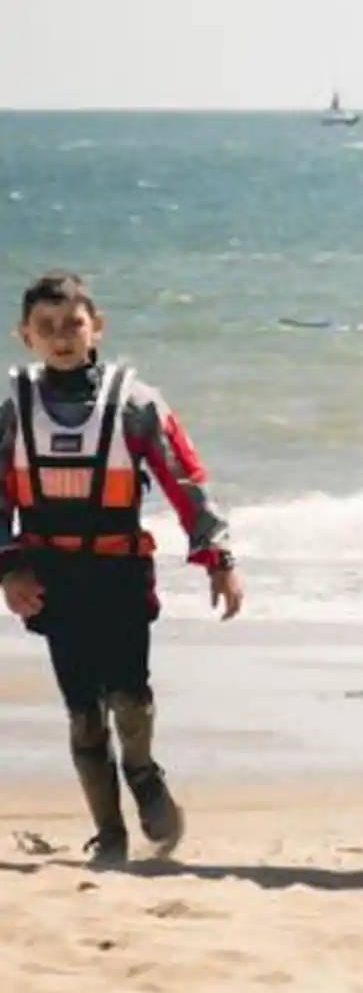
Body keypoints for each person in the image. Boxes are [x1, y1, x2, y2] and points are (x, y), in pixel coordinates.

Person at [0, 272, 243, 864]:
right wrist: (8, 571)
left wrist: (218, 558)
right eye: (47, 327)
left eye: (73, 325)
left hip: (120, 579)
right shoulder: (14, 411)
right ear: (25, 335)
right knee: (83, 714)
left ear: (97, 328)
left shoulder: (134, 403)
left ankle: (143, 771)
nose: (62, 338)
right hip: (53, 583)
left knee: (128, 699)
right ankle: (109, 834)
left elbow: (186, 483)